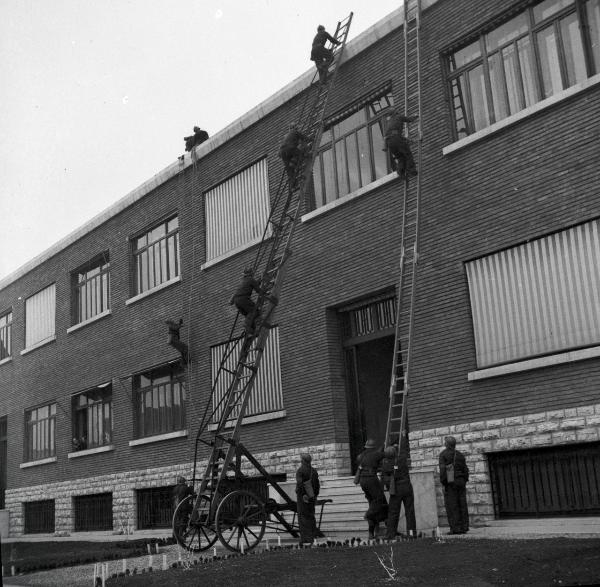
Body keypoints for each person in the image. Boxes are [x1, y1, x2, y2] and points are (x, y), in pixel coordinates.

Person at [382, 439, 416, 539]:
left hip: (396, 490)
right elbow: (401, 453)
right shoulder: (402, 460)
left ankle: (390, 535)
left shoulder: (386, 464)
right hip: (407, 487)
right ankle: (411, 534)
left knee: (393, 512)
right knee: (410, 511)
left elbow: (384, 479)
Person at [355, 438, 387, 539]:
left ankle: (371, 532)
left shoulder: (360, 456)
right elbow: (386, 454)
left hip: (363, 481)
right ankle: (369, 515)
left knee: (372, 503)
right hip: (371, 479)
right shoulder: (375, 454)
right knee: (379, 501)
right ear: (373, 447)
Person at [229, 268, 277, 334]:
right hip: (243, 299)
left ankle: (252, 330)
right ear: (251, 273)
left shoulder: (243, 281)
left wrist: (231, 301)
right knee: (255, 311)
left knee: (250, 316)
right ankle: (247, 324)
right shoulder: (251, 280)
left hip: (237, 302)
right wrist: (265, 293)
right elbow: (258, 290)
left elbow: (253, 284)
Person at [439, 436, 470, 535]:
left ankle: (456, 528)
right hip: (461, 481)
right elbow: (465, 470)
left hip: (450, 482)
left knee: (452, 506)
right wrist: (464, 480)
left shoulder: (443, 455)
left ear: (447, 444)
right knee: (462, 504)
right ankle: (464, 527)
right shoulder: (460, 455)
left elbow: (443, 470)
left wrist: (443, 483)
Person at [295, 453, 323, 545]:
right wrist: (314, 496)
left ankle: (306, 538)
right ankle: (313, 534)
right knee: (311, 516)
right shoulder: (314, 471)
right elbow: (317, 485)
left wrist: (303, 495)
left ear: (303, 461)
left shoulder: (300, 471)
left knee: (303, 517)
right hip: (312, 497)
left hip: (303, 498)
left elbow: (300, 484)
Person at [383, 109, 418, 179]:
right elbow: (409, 119)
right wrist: (415, 116)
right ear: (396, 113)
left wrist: (407, 140)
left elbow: (394, 135)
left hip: (389, 142)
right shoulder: (399, 117)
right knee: (408, 154)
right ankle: (411, 171)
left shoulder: (388, 123)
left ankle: (400, 172)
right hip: (396, 139)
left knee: (400, 157)